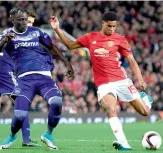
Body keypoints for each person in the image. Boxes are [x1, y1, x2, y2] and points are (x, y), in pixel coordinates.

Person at [50, 11, 153, 150]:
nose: (111, 29)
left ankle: (145, 99)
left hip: (122, 81)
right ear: (103, 23)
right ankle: (124, 143)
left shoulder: (120, 39)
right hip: (104, 84)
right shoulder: (90, 37)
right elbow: (70, 45)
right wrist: (57, 29)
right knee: (111, 108)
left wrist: (140, 79)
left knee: (145, 112)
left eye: (114, 26)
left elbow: (131, 61)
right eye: (109, 26)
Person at [0, 7, 73, 150]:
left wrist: (67, 63)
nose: (24, 23)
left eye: (25, 20)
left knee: (57, 101)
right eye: (20, 20)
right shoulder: (6, 34)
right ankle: (12, 135)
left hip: (44, 77)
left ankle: (48, 134)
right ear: (12, 20)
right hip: (24, 80)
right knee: (20, 116)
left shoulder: (37, 32)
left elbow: (52, 48)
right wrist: (4, 41)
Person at [0, 8, 39, 147]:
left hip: (8, 69)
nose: (29, 26)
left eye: (31, 23)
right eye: (28, 22)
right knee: (21, 102)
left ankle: (26, 139)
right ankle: (25, 139)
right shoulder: (10, 33)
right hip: (4, 70)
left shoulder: (29, 36)